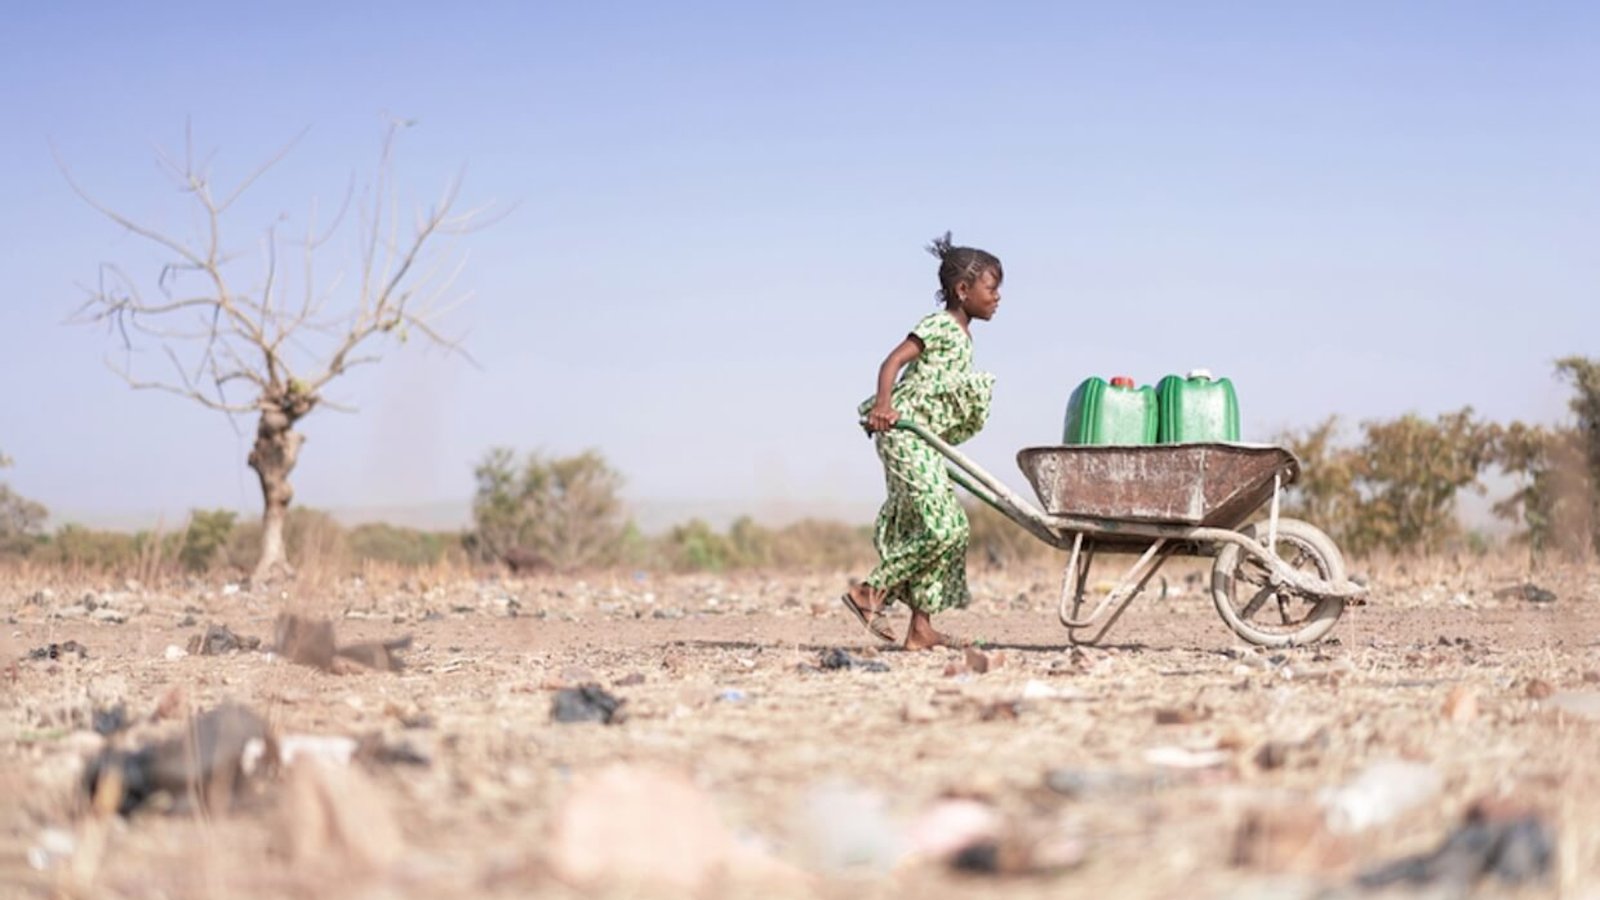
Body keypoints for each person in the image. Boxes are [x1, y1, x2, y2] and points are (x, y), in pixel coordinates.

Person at [842, 232, 1002, 650]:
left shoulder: (964, 337)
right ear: (962, 290)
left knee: (937, 526)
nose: (998, 297)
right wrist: (882, 405)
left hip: (924, 441)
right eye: (992, 287)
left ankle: (921, 628)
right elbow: (892, 361)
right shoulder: (938, 325)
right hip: (904, 435)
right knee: (945, 529)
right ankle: (870, 593)